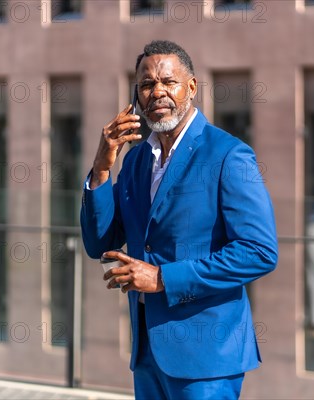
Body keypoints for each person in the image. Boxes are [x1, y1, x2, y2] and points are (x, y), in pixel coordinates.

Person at [80, 40, 278, 399]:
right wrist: (101, 168)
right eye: (146, 84)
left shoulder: (229, 155)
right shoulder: (136, 161)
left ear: (191, 87)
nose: (158, 92)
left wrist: (162, 278)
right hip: (147, 352)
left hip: (207, 360)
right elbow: (100, 243)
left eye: (168, 82)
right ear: (137, 95)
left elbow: (259, 251)